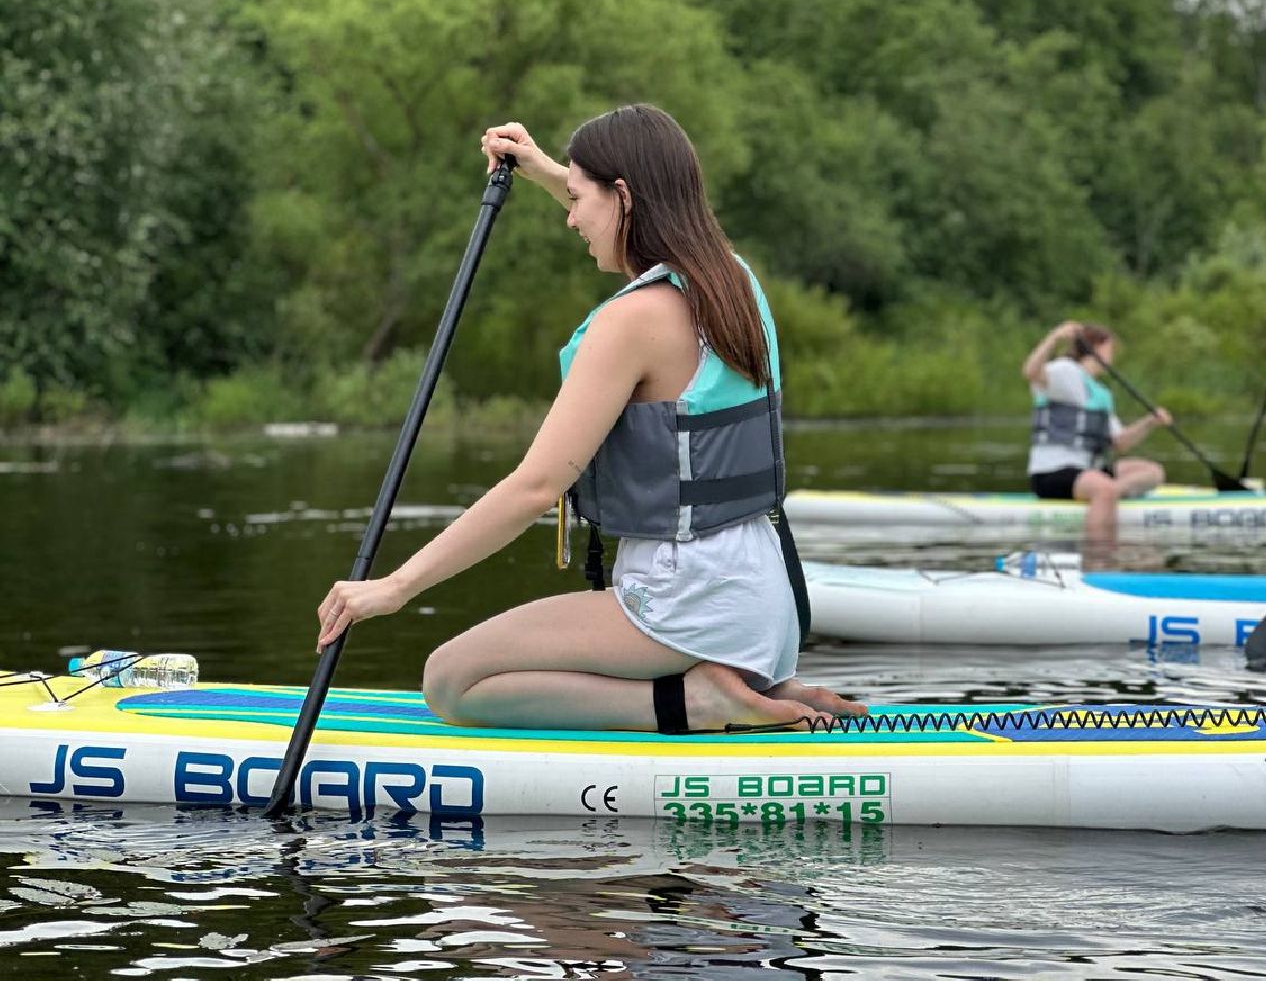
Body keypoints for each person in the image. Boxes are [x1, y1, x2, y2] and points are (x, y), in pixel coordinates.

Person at [314, 104, 866, 731]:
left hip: (689, 601)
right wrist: (547, 171)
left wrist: (395, 587)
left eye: (577, 199)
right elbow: (625, 215)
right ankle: (743, 681)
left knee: (450, 680)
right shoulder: (733, 282)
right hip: (766, 600)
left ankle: (699, 701)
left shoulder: (632, 322)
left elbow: (535, 487)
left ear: (624, 195)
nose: (571, 217)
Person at [1022, 320, 1173, 542]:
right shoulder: (1065, 371)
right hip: (1053, 472)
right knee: (1106, 489)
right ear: (1098, 347)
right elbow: (1031, 372)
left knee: (1152, 473)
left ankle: (1107, 495)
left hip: (1087, 471)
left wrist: (1149, 422)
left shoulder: (1101, 394)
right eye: (1110, 348)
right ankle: (1098, 556)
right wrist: (1054, 337)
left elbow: (1119, 443)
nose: (1112, 355)